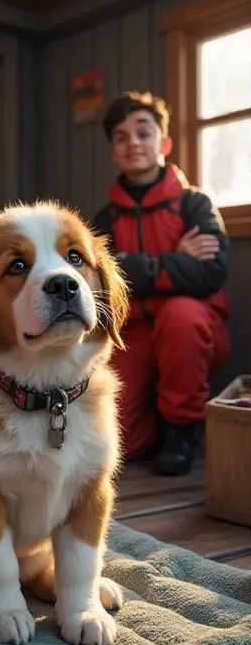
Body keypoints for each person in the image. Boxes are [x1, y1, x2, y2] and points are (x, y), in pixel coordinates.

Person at [93, 91, 231, 476]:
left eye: (143, 132)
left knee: (181, 312)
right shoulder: (103, 220)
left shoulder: (195, 205)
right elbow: (100, 286)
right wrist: (172, 263)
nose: (133, 142)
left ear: (164, 144)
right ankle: (156, 410)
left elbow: (211, 273)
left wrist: (132, 269)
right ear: (114, 153)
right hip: (133, 331)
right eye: (121, 137)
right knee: (125, 444)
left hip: (194, 331)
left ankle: (181, 430)